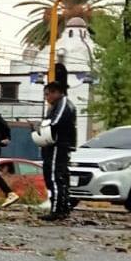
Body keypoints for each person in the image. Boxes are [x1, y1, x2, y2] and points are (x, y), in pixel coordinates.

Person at [36, 80, 78, 221]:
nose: (46, 97)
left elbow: (54, 123)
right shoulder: (56, 106)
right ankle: (63, 208)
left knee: (55, 177)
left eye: (48, 94)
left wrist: (41, 127)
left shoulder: (63, 104)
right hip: (56, 146)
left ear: (57, 92)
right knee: (57, 177)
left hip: (58, 146)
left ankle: (56, 209)